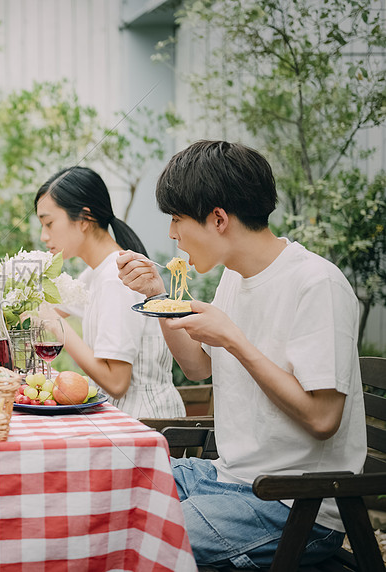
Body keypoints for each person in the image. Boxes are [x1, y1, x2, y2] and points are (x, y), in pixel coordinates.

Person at [117, 140, 366, 568]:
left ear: (218, 219)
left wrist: (234, 339)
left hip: (289, 502)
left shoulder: (316, 284)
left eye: (177, 219)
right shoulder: (236, 277)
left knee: (141, 540)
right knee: (109, 494)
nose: (171, 235)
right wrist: (158, 296)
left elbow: (323, 419)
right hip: (226, 478)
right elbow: (196, 367)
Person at [33, 166, 185, 418]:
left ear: (83, 219)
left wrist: (56, 325)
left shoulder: (117, 277)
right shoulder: (95, 273)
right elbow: (41, 309)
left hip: (144, 426)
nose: (43, 235)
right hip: (120, 419)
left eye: (49, 223)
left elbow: (116, 383)